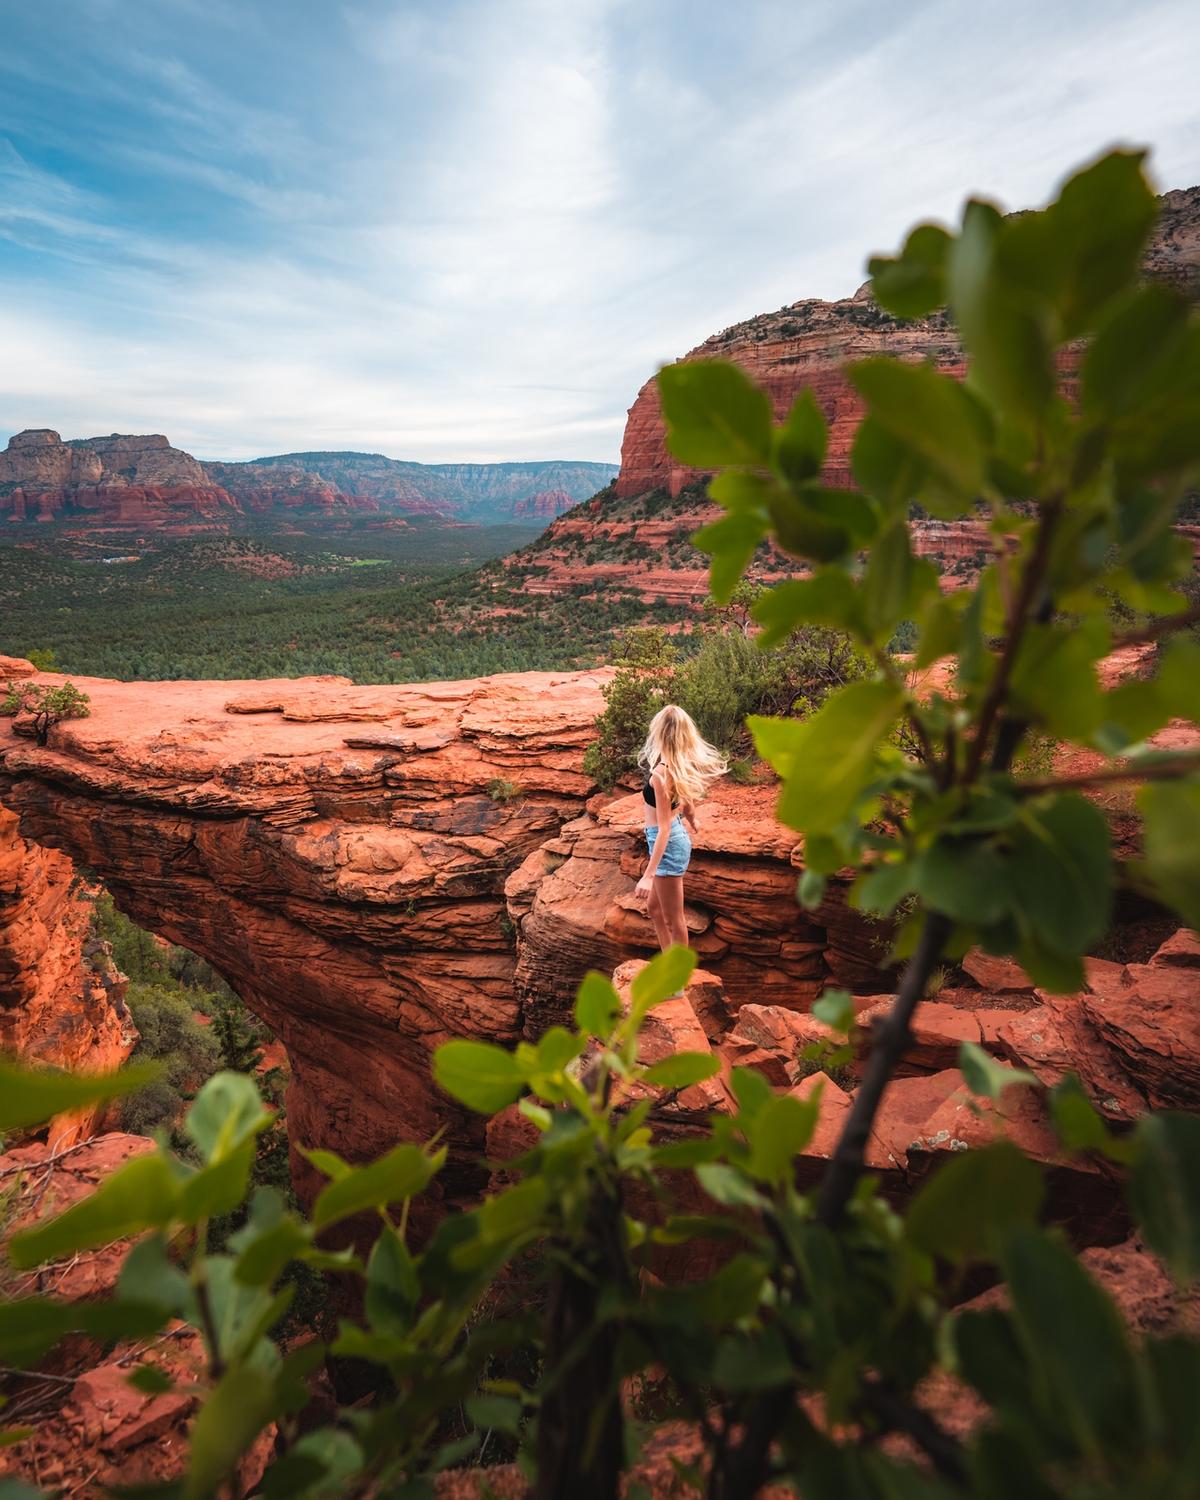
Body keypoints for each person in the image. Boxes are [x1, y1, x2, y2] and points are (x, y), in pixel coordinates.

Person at [634, 704, 727, 951]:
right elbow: (687, 799)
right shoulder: (677, 764)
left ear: (660, 733)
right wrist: (692, 818)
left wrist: (647, 875)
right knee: (655, 909)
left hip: (666, 841)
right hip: (673, 837)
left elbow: (663, 828)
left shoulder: (660, 774)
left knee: (674, 919)